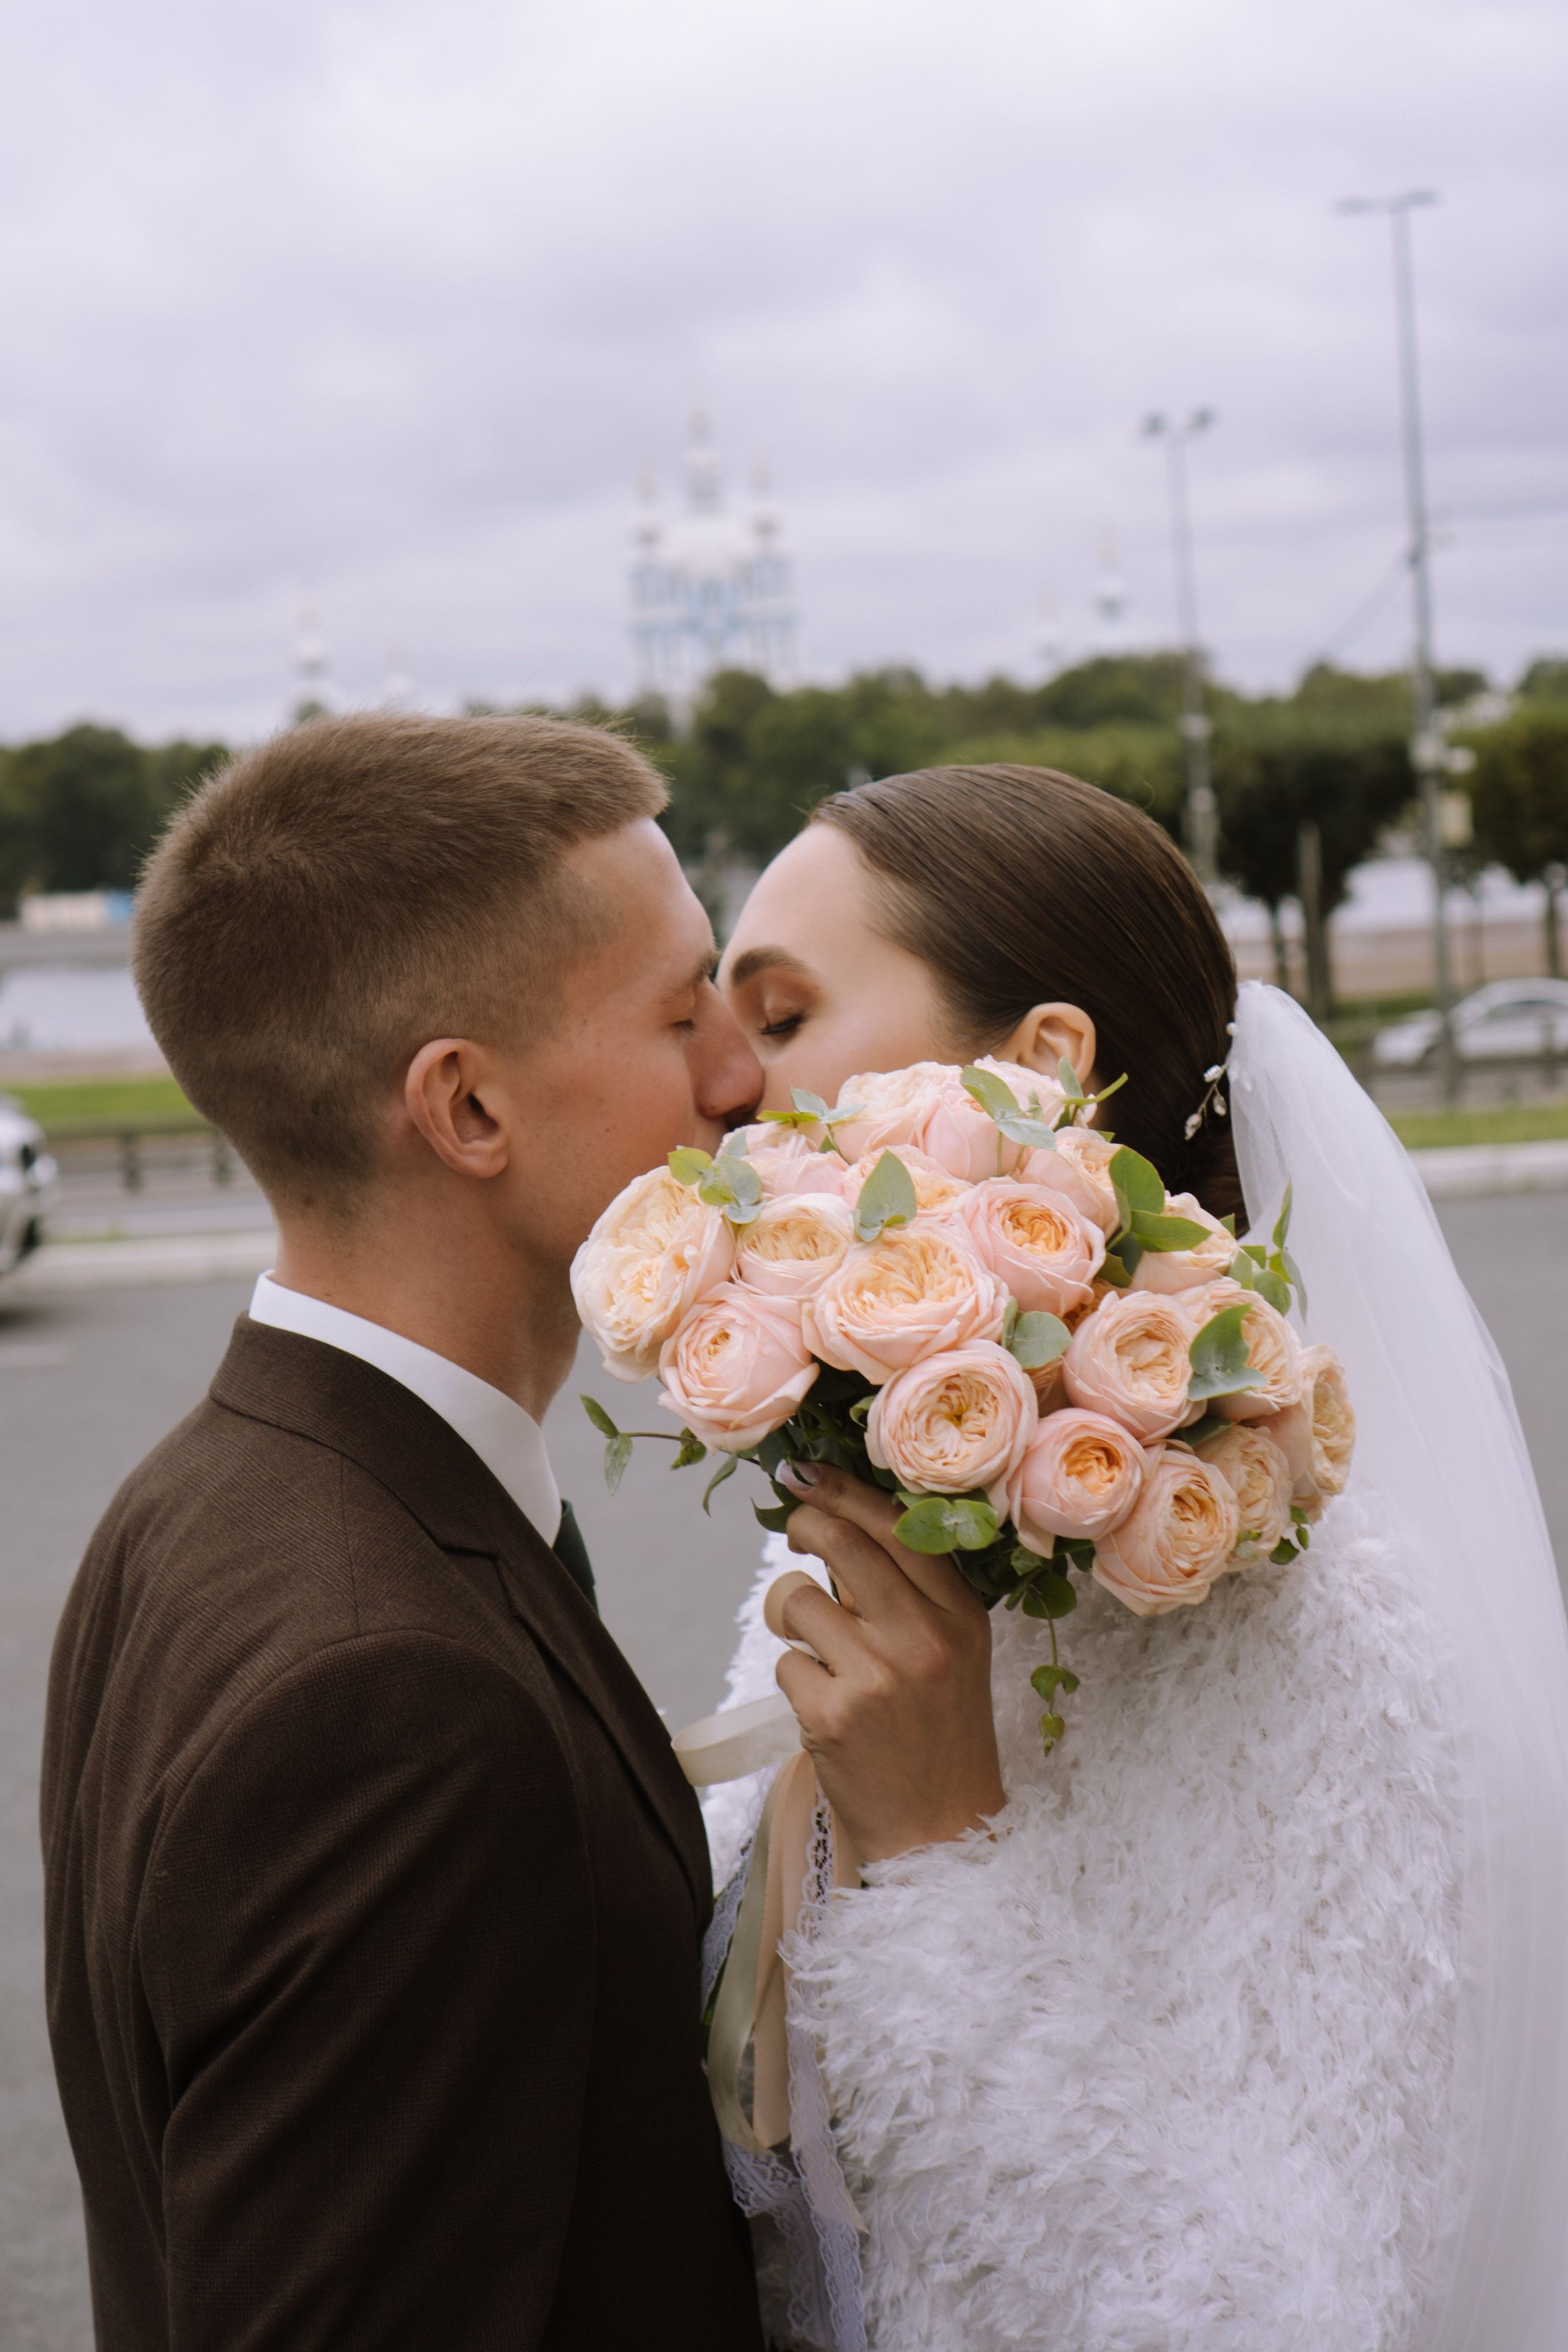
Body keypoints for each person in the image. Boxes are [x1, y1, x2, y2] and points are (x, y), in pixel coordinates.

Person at [39, 715, 1001, 2352]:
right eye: (677, 1005)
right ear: (468, 1107)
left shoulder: (187, 1504)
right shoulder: (391, 1702)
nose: (735, 1074)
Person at [709, 762, 1568, 2352]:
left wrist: (941, 1850)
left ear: (1041, 1068)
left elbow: (1271, 2318)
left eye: (777, 1017)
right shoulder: (883, 1544)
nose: (717, 1089)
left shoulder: (1335, 1652)